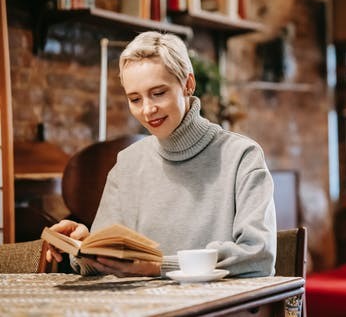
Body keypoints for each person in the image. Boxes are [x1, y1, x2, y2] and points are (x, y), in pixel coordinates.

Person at [46, 31, 277, 278]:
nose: (147, 110)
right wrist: (83, 246)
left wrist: (158, 267)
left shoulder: (242, 156)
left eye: (158, 93)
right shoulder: (128, 164)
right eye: (135, 99)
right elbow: (105, 267)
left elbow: (258, 256)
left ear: (188, 84)